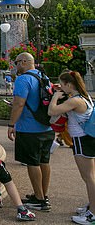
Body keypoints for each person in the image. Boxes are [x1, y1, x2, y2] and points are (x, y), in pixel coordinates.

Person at [7, 52, 54, 211]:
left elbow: (19, 104)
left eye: (17, 62)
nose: (16, 66)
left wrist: (11, 124)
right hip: (46, 127)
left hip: (29, 128)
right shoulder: (43, 77)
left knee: (32, 162)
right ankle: (42, 195)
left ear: (25, 62)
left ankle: (39, 201)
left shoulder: (23, 79)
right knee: (44, 162)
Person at [48, 70, 95, 224]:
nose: (61, 87)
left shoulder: (75, 101)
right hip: (86, 139)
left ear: (69, 84)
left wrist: (55, 97)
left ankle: (93, 214)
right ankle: (91, 206)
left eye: (62, 84)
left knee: (89, 178)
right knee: (89, 177)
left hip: (82, 140)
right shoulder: (83, 96)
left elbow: (52, 111)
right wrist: (59, 89)